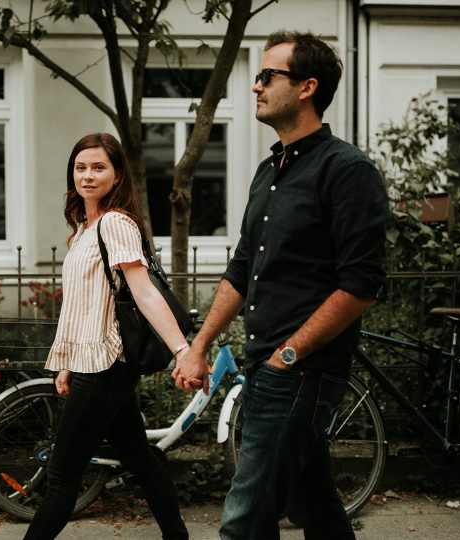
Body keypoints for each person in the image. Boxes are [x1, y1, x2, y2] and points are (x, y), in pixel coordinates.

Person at [173, 30, 389, 539]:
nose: (256, 86)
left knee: (244, 520)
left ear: (307, 87)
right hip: (266, 364)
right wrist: (199, 345)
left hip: (299, 372)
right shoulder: (271, 169)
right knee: (313, 506)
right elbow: (244, 267)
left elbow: (361, 284)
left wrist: (288, 356)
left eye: (268, 75)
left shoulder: (347, 170)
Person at [23, 132, 190, 540]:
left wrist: (183, 350)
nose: (88, 175)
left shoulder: (115, 223)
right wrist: (66, 363)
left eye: (98, 167)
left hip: (106, 365)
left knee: (62, 474)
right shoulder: (85, 227)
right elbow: (82, 304)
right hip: (95, 363)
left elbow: (144, 291)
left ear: (117, 176)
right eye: (81, 167)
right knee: (140, 456)